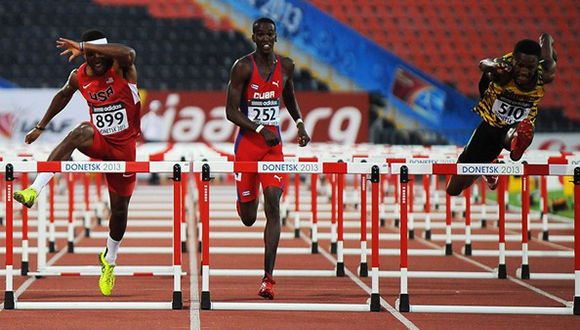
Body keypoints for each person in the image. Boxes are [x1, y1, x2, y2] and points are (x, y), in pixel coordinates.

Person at [13, 30, 141, 296]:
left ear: (106, 53)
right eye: (89, 54)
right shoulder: (79, 76)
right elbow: (62, 95)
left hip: (124, 151)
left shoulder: (123, 68)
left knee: (119, 212)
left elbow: (129, 53)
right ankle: (35, 189)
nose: (94, 60)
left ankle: (110, 259)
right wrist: (40, 126)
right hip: (99, 142)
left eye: (98, 53)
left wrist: (85, 46)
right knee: (79, 131)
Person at [225, 17, 311, 300]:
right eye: (260, 34)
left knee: (273, 206)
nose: (265, 38)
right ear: (253, 37)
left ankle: (268, 279)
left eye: (269, 34)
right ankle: (244, 200)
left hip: (273, 147)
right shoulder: (243, 67)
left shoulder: (286, 66)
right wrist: (260, 129)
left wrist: (299, 124)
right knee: (250, 218)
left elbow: (289, 97)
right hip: (248, 146)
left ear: (275, 37)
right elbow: (231, 112)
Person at [446, 33, 557, 197]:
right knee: (453, 190)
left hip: (517, 125)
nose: (524, 71)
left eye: (530, 67)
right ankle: (488, 168)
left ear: (537, 65)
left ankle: (517, 144)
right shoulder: (504, 70)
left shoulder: (545, 72)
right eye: (520, 65)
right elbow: (483, 63)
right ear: (513, 61)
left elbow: (548, 52)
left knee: (522, 131)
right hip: (490, 125)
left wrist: (546, 40)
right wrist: (493, 66)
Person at [141, 99, 165, 184]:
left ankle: (156, 176)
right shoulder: (147, 118)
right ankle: (152, 177)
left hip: (158, 141)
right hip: (149, 141)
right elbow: (142, 128)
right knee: (151, 159)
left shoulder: (161, 118)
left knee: (157, 159)